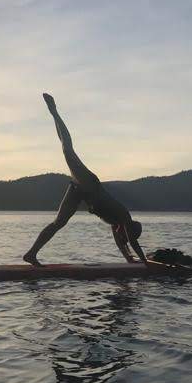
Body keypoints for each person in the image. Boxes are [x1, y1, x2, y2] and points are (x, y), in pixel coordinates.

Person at [23, 93, 147, 267]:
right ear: (128, 229)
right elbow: (132, 243)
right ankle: (54, 111)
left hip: (81, 193)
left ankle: (31, 254)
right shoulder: (124, 216)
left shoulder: (116, 223)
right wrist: (144, 262)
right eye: (124, 235)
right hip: (89, 184)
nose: (121, 237)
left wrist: (128, 258)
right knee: (68, 150)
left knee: (59, 223)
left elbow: (122, 243)